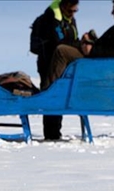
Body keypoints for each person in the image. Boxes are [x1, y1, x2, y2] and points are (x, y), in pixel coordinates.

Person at [44, 0, 114, 89]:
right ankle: (54, 89)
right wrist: (91, 42)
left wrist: (92, 50)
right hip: (97, 61)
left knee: (61, 51)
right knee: (67, 48)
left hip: (96, 63)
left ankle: (49, 91)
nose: (112, 12)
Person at [31, 0, 80, 140]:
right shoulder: (51, 19)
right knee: (50, 93)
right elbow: (60, 41)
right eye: (71, 10)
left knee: (59, 94)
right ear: (64, 6)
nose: (73, 14)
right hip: (47, 64)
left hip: (62, 65)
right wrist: (79, 45)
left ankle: (55, 132)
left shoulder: (68, 20)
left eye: (75, 11)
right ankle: (51, 134)